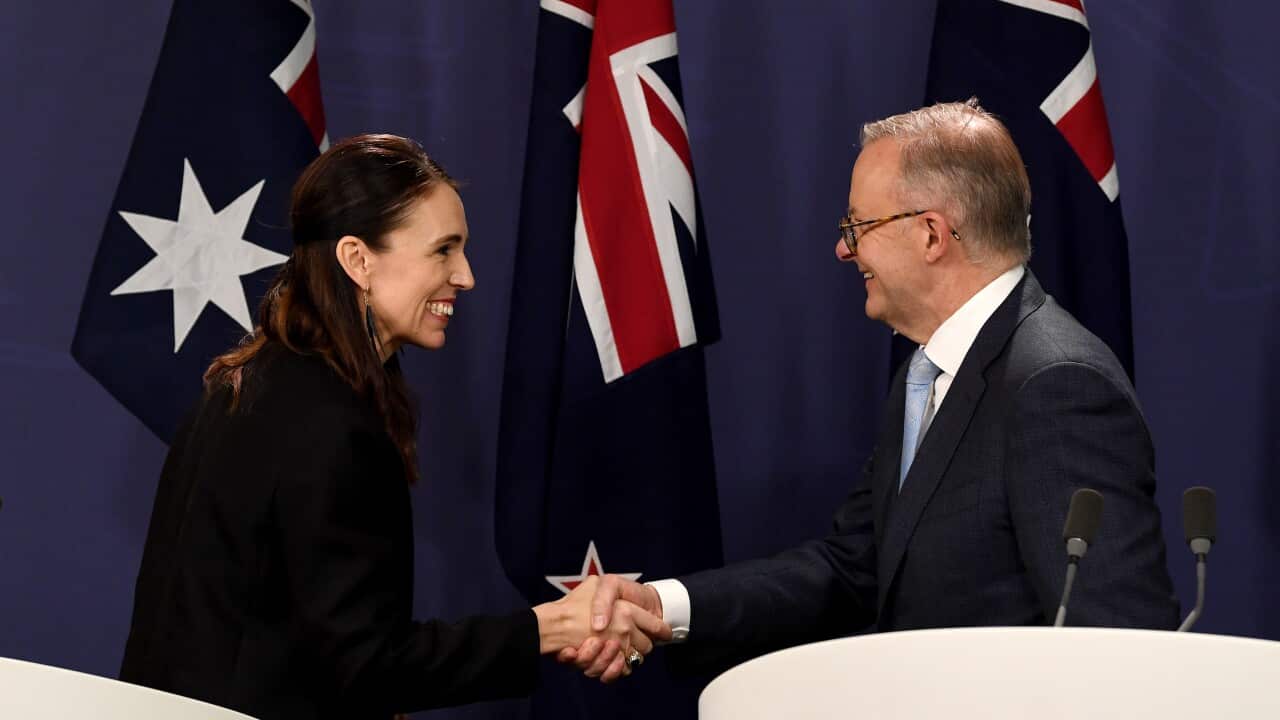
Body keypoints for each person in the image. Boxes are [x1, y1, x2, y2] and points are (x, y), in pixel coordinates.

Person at [566, 100, 1179, 681]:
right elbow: (853, 566)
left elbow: (1118, 643)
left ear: (933, 235)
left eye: (858, 224)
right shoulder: (931, 372)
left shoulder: (1055, 385)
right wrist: (659, 604)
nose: (843, 247)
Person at [119, 134, 668, 719]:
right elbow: (368, 666)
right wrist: (549, 627)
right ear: (357, 259)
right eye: (443, 251)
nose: (466, 276)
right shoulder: (330, 424)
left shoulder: (256, 382)